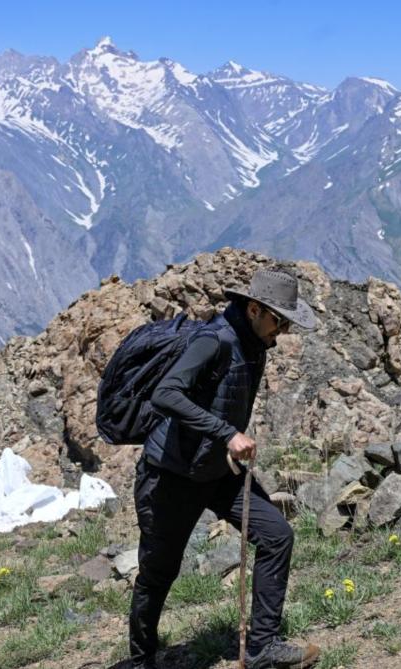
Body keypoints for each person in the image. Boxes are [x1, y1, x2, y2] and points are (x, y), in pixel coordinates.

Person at [128, 269, 321, 669]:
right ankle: (141, 658)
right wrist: (227, 434)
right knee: (159, 570)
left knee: (276, 535)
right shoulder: (212, 340)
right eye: (278, 320)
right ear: (253, 309)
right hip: (172, 474)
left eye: (287, 322)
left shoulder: (255, 344)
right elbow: (166, 394)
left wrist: (225, 441)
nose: (282, 330)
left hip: (218, 471)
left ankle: (262, 648)